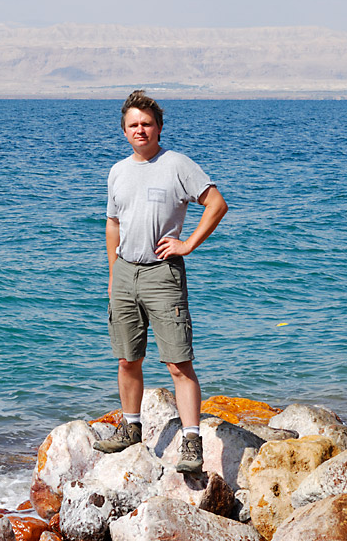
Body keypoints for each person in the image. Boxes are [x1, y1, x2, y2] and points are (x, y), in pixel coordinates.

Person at [93, 90, 228, 474]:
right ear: (124, 130)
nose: (141, 130)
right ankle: (131, 428)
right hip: (124, 273)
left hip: (162, 274)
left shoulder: (177, 165)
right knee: (127, 358)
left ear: (159, 127)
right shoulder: (118, 171)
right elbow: (112, 223)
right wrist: (112, 273)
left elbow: (217, 203)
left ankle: (191, 441)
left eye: (147, 124)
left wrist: (188, 244)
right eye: (133, 124)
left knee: (178, 363)